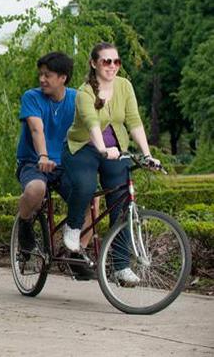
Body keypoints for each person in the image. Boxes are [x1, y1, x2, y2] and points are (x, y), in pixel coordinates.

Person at [61, 42, 160, 286]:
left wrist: (147, 154)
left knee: (122, 204)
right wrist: (103, 149)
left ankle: (121, 267)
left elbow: (134, 121)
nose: (112, 66)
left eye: (116, 61)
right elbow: (92, 123)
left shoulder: (124, 86)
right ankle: (73, 227)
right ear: (94, 63)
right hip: (83, 148)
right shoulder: (85, 92)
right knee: (85, 186)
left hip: (116, 150)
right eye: (107, 61)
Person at [14, 53, 93, 280]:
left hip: (65, 163)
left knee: (89, 199)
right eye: (40, 74)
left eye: (47, 75)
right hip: (34, 161)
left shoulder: (77, 98)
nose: (42, 79)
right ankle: (25, 224)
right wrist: (43, 155)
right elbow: (36, 129)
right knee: (36, 189)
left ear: (63, 78)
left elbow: (91, 128)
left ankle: (77, 251)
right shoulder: (32, 97)